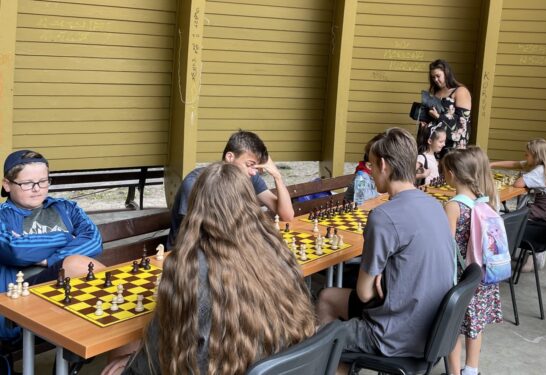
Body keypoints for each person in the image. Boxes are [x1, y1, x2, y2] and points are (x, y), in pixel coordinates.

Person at [102, 162, 316, 375]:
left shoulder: (188, 268)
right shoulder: (277, 250)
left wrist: (131, 364)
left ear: (197, 207)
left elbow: (166, 351)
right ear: (249, 204)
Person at [315, 128, 455, 374]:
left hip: (394, 334)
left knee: (321, 340)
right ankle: (345, 361)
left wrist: (378, 273)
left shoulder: (383, 216)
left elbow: (365, 294)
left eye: (370, 166)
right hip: (433, 328)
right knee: (327, 297)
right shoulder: (435, 205)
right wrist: (385, 271)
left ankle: (335, 357)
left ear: (383, 164)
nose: (369, 172)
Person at [0, 150, 103, 340]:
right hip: (22, 299)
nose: (37, 188)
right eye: (27, 183)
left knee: (110, 305)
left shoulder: (66, 208)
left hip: (71, 294)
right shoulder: (3, 215)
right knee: (75, 264)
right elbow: (14, 249)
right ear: (7, 185)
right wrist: (65, 237)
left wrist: (50, 259)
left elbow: (94, 241)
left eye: (43, 181)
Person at [167, 130, 294, 249]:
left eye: (256, 167)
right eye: (249, 165)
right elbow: (195, 234)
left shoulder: (249, 177)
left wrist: (277, 177)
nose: (253, 172)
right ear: (230, 157)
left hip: (225, 247)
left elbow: (287, 215)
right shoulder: (196, 182)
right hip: (188, 252)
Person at [442, 147, 502, 375]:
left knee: (453, 326)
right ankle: (472, 369)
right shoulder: (483, 201)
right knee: (475, 326)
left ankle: (454, 371)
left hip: (459, 276)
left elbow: (446, 246)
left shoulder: (453, 206)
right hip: (481, 275)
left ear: (452, 174)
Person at [490, 138, 546, 271]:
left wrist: (523, 174)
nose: (524, 156)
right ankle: (534, 256)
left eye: (527, 155)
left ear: (536, 156)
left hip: (540, 213)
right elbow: (515, 164)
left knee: (498, 220)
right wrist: (492, 164)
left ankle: (499, 258)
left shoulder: (539, 171)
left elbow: (518, 184)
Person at [419, 59, 472, 157]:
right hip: (434, 145)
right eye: (433, 77)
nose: (435, 80)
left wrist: (439, 117)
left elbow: (462, 124)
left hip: (452, 146)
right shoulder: (435, 92)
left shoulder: (460, 91)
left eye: (438, 76)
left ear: (447, 73)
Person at [343, 136, 380, 204]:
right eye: (379, 164)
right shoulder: (361, 177)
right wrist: (378, 192)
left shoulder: (373, 174)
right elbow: (362, 195)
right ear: (369, 166)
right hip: (351, 208)